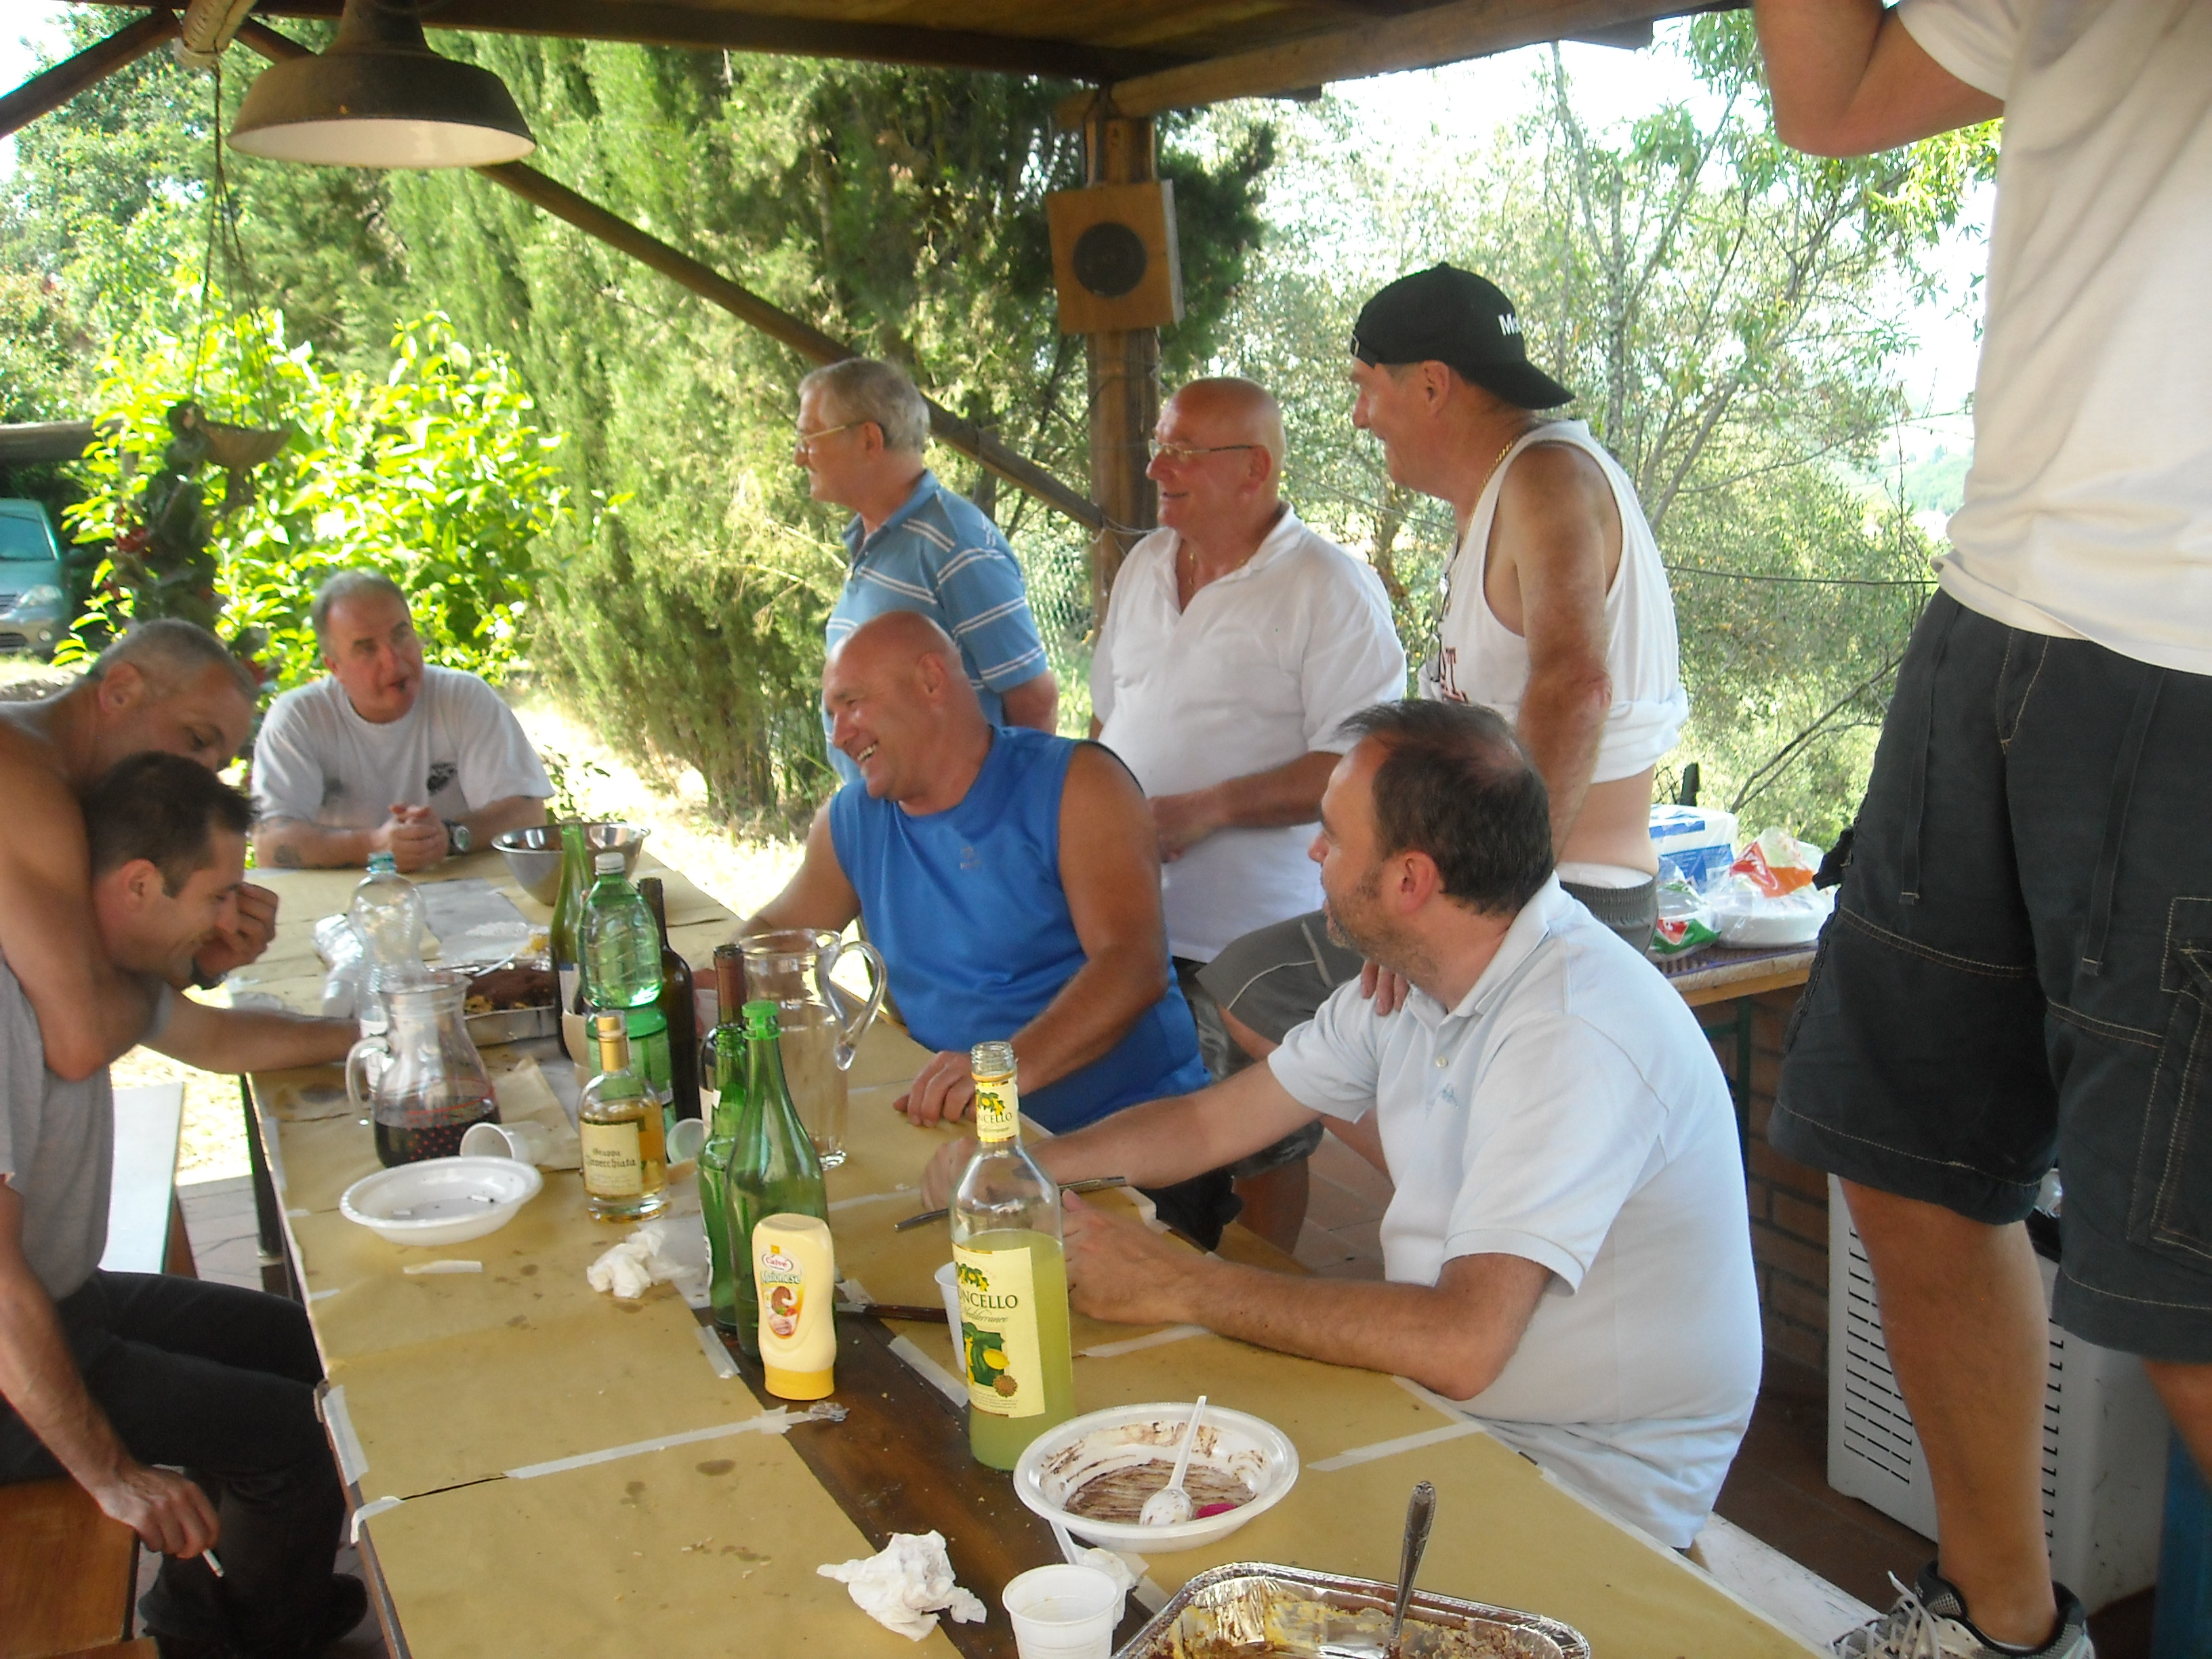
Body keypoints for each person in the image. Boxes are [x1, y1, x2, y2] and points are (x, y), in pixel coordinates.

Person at [1754, 4, 2211, 1655]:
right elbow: (1830, 97)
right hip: (1994, 611)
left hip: (2194, 645)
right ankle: (2001, 1624)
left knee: (2186, 1296)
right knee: (1908, 1163)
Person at [922, 700, 1761, 1549]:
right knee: (1149, 1457)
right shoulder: (1423, 973)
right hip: (1453, 1405)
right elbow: (1210, 1125)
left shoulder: (1571, 1033)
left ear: (1410, 881)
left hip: (1581, 1473)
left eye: (1332, 834)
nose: (1314, 852)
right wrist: (1021, 1169)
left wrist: (1183, 1285)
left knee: (1173, 1515)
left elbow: (1464, 1344)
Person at [1200, 266, 1687, 1100]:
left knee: (1254, 992)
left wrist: (1493, 907)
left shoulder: (1546, 477)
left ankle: (1441, 1172)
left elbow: (1575, 688)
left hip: (1565, 903)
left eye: (1366, 387)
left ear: (1431, 384)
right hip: (1504, 897)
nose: (1360, 416)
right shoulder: (1501, 492)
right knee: (1263, 1000)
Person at [0, 753, 363, 1656]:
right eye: (217, 896)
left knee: (311, 1347)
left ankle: (218, 1610)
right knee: (299, 1443)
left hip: (69, 1297)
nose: (232, 919)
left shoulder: (83, 969)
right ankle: (243, 1638)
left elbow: (223, 1038)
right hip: (16, 1356)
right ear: (137, 885)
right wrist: (112, 1474)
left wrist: (386, 1033)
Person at [742, 610, 1226, 1240]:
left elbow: (1132, 965)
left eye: (851, 704)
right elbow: (776, 934)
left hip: (1129, 1154)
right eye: (831, 715)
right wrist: (708, 983)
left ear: (931, 680)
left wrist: (1001, 1075)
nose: (838, 735)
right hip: (964, 1151)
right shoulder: (853, 819)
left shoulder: (1078, 783)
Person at [1090, 376, 1406, 1246]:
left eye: (1183, 453)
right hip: (1131, 919)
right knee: (1151, 1117)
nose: (1156, 468)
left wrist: (1211, 808)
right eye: (1158, 447)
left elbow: (1360, 766)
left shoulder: (1329, 589)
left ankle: (1269, 1291)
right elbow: (1107, 719)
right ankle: (1166, 1280)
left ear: (1255, 469)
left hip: (1255, 933)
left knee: (1265, 1138)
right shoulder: (1145, 566)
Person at [0, 619, 275, 1083]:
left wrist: (189, 963)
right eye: (197, 740)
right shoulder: (20, 779)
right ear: (120, 690)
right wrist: (157, 976)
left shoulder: (63, 788)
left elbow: (193, 1032)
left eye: (218, 764)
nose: (202, 776)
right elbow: (81, 1039)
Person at [797, 357, 1058, 784]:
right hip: (888, 816)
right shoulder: (875, 536)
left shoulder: (955, 543)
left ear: (869, 439)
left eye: (810, 438)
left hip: (951, 823)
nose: (799, 457)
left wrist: (1003, 815)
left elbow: (1034, 700)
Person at [251, 570, 551, 872]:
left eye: (400, 635)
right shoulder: (299, 718)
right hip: (344, 895)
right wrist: (374, 846)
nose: (393, 660)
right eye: (367, 648)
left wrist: (448, 836)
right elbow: (269, 844)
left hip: (458, 886)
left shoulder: (462, 697)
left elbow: (528, 814)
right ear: (335, 667)